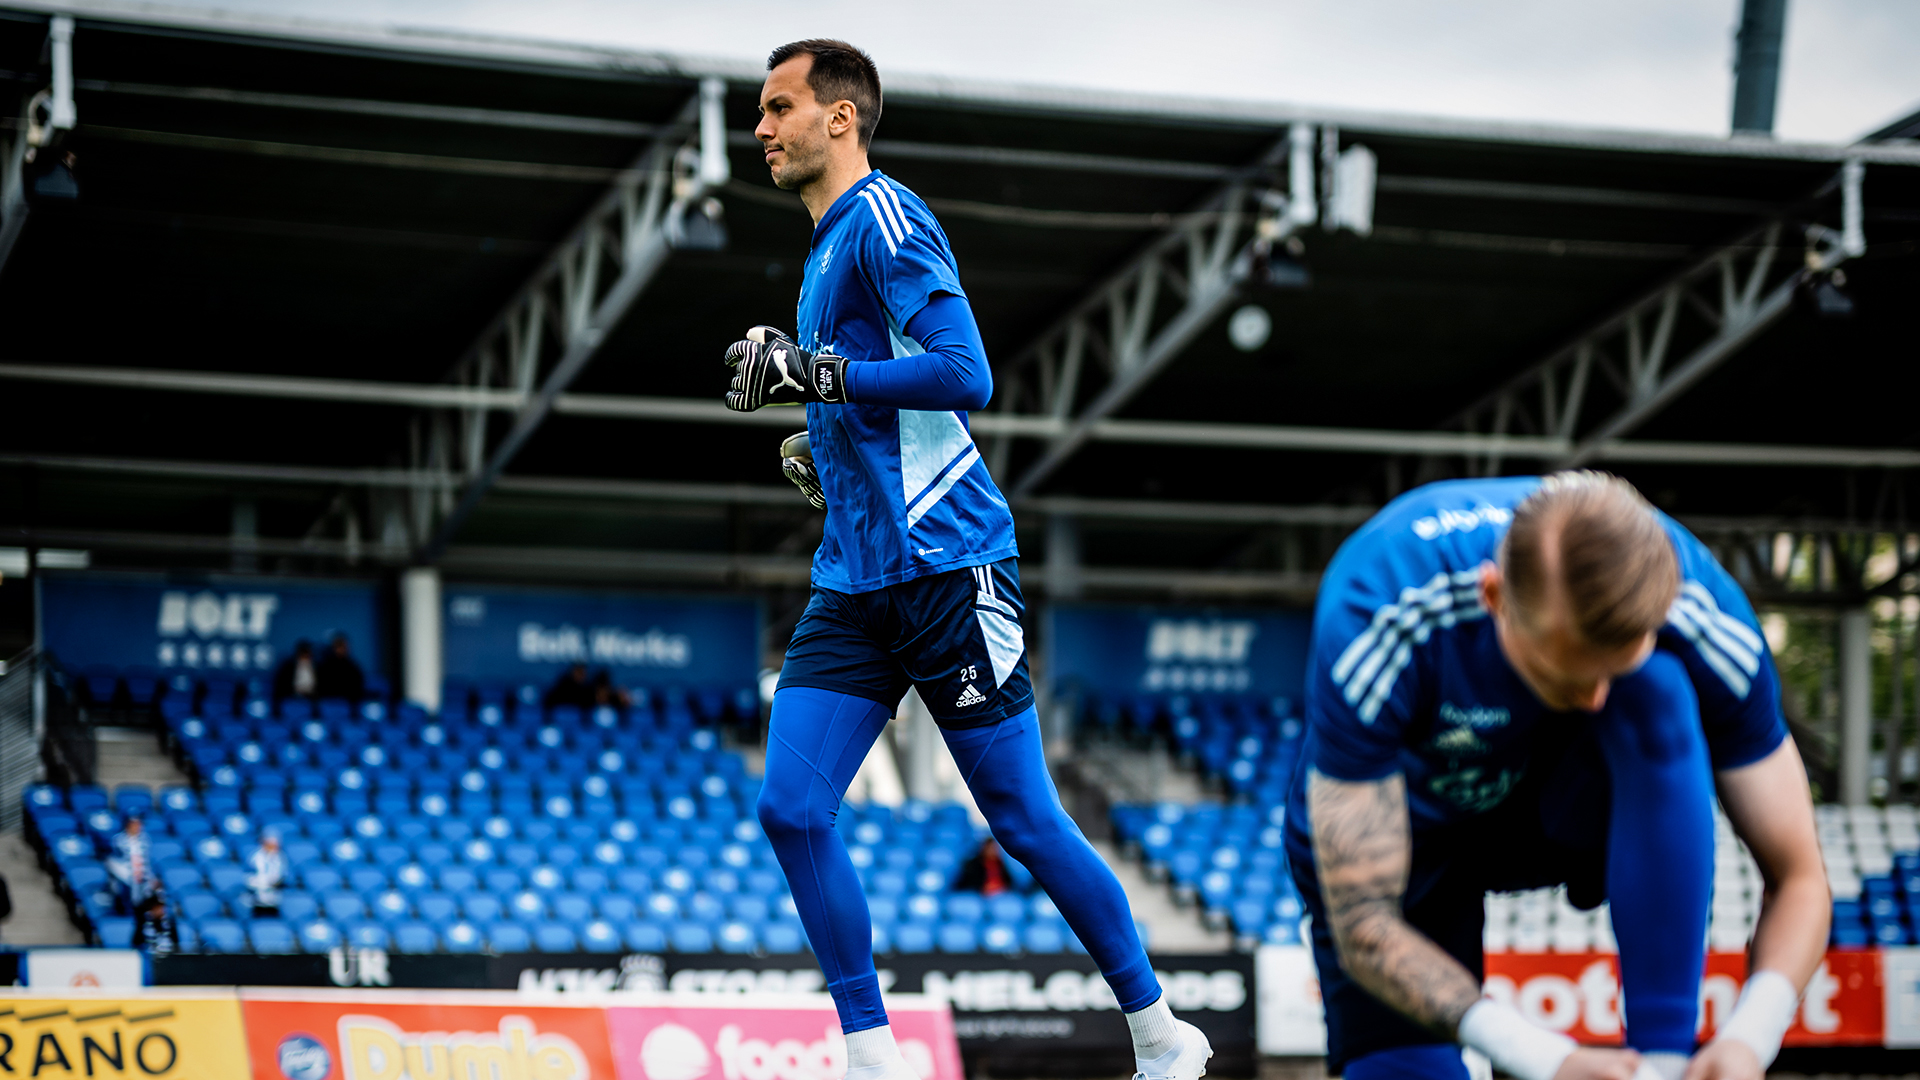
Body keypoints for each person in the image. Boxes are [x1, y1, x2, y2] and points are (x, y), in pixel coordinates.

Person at [727, 39, 1209, 1080]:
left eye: (777, 108)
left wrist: (812, 372)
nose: (759, 129)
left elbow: (963, 373)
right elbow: (882, 402)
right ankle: (871, 1054)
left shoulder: (886, 218)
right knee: (790, 807)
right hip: (854, 583)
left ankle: (1160, 1034)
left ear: (840, 118)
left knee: (1025, 821)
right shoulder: (820, 253)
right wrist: (826, 446)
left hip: (951, 568)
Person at [1286, 472, 1829, 1080]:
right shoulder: (1380, 609)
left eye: (1610, 670)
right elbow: (1365, 922)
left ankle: (1661, 1061)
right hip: (1411, 836)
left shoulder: (1702, 609)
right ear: (1493, 598)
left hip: (1569, 801)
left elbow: (1800, 877)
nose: (1595, 697)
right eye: (1567, 674)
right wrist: (1542, 1060)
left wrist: (1750, 1039)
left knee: (1656, 687)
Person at [106, 815, 157, 913]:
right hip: (125, 871)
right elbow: (115, 859)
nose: (137, 827)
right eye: (134, 824)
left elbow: (148, 862)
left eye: (139, 825)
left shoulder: (145, 840)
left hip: (142, 874)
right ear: (128, 825)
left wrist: (151, 878)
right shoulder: (118, 840)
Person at [315, 633, 366, 702]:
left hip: (350, 702)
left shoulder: (352, 666)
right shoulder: (325, 666)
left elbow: (358, 684)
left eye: (344, 646)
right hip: (330, 702)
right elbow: (322, 686)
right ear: (333, 647)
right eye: (339, 646)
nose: (342, 649)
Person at [247, 830, 286, 917]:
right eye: (271, 843)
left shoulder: (280, 857)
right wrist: (266, 883)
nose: (274, 846)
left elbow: (282, 876)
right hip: (258, 900)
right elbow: (249, 879)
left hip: (274, 900)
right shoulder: (256, 858)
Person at [131, 891, 178, 955]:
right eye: (157, 907)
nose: (161, 910)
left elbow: (175, 943)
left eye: (162, 907)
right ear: (152, 909)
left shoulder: (169, 923)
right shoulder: (143, 923)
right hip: (147, 956)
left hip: (167, 956)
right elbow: (136, 943)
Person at [273, 639, 317, 704]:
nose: (305, 655)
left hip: (312, 695)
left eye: (307, 652)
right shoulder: (289, 666)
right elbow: (281, 683)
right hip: (293, 694)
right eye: (303, 652)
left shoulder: (316, 666)